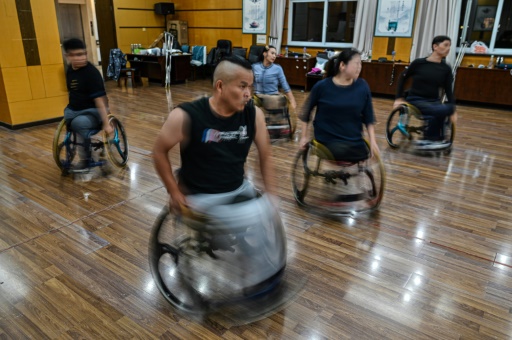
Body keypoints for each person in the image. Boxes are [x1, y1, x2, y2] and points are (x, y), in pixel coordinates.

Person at [153, 56, 276, 215]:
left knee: (264, 228)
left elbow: (265, 156)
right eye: (242, 86)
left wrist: (272, 197)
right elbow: (159, 152)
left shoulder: (254, 115)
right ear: (220, 86)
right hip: (199, 197)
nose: (248, 94)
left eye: (250, 87)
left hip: (237, 189)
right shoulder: (185, 115)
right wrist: (174, 192)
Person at [299, 49, 379, 162]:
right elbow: (306, 112)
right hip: (328, 139)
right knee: (341, 153)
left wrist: (373, 141)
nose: (359, 67)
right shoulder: (322, 87)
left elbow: (369, 116)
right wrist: (304, 136)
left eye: (360, 63)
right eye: (356, 63)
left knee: (360, 153)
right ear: (342, 65)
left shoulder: (362, 86)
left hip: (353, 139)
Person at [394, 35, 456, 144]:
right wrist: (398, 97)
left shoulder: (446, 68)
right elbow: (402, 77)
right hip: (416, 99)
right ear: (435, 47)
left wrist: (453, 110)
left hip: (433, 101)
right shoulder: (419, 63)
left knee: (447, 108)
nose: (448, 48)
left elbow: (448, 90)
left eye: (449, 46)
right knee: (440, 111)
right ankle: (430, 139)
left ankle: (434, 138)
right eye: (445, 45)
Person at [63, 38, 113, 171]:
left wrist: (107, 123)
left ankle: (86, 159)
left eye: (83, 54)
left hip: (92, 110)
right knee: (67, 117)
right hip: (74, 109)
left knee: (78, 123)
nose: (81, 58)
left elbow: (100, 101)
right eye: (76, 55)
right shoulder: (69, 70)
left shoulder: (91, 73)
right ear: (68, 56)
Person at [252, 45, 297, 132]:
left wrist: (292, 99)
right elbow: (249, 82)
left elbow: (285, 85)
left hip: (273, 95)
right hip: (258, 95)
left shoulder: (277, 68)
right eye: (272, 53)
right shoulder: (255, 67)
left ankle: (273, 126)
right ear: (265, 54)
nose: (274, 56)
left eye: (275, 54)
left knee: (276, 101)